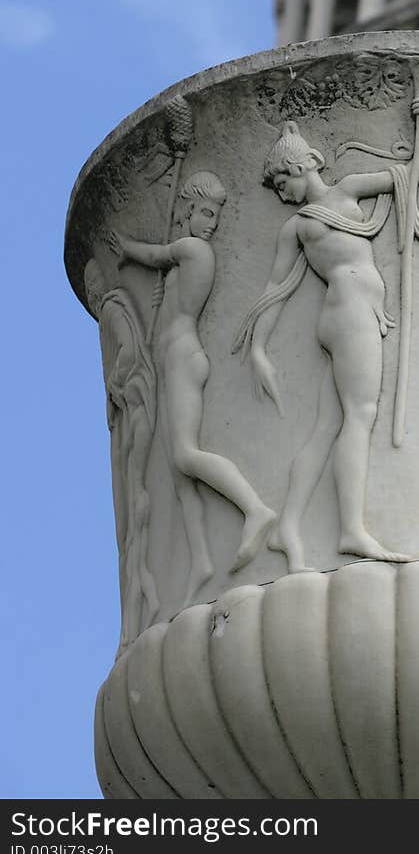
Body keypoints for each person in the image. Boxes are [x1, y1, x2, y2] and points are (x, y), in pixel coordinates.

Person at [232, 84, 419, 568]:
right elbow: (274, 293)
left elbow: (409, 176)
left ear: (304, 166)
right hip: (349, 315)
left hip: (348, 316)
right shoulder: (303, 222)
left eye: (283, 182)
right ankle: (351, 530)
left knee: (327, 425)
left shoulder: (340, 196)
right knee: (360, 418)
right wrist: (257, 346)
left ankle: (287, 525)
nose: (282, 193)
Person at [109, 173, 275, 600]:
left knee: (185, 454)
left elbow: (153, 253)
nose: (211, 224)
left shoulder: (192, 249)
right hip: (171, 362)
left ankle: (254, 509)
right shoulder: (186, 255)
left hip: (184, 359)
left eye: (216, 216)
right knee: (178, 473)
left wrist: (126, 249)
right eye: (205, 213)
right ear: (185, 209)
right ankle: (200, 560)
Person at [84, 258, 159, 649]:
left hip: (137, 402)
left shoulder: (113, 308)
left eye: (93, 287)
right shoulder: (116, 308)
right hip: (135, 406)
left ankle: (144, 593)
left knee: (137, 507)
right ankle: (143, 591)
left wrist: (114, 382)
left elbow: (129, 352)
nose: (94, 295)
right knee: (134, 512)